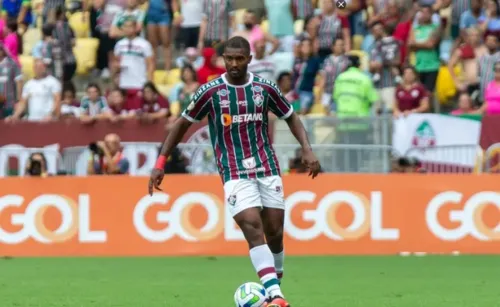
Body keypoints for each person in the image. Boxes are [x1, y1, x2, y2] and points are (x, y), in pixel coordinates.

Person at [148, 36, 320, 307]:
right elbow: (181, 124)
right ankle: (277, 296)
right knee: (252, 225)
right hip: (233, 170)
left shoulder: (265, 88)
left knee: (274, 232)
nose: (234, 63)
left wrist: (307, 149)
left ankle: (274, 287)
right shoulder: (211, 91)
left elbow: (291, 117)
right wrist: (160, 162)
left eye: (240, 58)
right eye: (229, 58)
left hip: (267, 167)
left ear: (249, 59)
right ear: (223, 59)